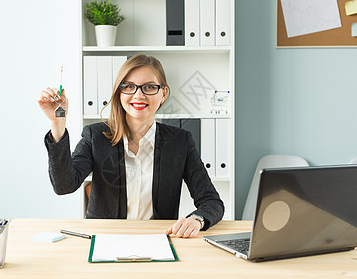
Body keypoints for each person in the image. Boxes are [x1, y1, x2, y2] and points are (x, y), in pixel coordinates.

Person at [38, 54, 224, 238]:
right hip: (104, 239)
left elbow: (211, 201)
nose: (139, 95)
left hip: (158, 241)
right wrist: (57, 124)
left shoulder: (180, 141)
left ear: (164, 93)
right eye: (129, 87)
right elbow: (64, 185)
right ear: (120, 93)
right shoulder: (95, 136)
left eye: (150, 87)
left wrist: (197, 219)